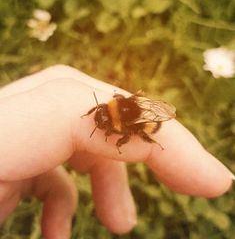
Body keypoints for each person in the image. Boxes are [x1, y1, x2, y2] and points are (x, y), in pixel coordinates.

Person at [0, 65, 233, 239]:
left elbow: (128, 123)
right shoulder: (112, 105)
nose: (99, 118)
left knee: (138, 133)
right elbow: (116, 105)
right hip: (136, 108)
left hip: (147, 121)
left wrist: (120, 143)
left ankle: (149, 141)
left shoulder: (123, 121)